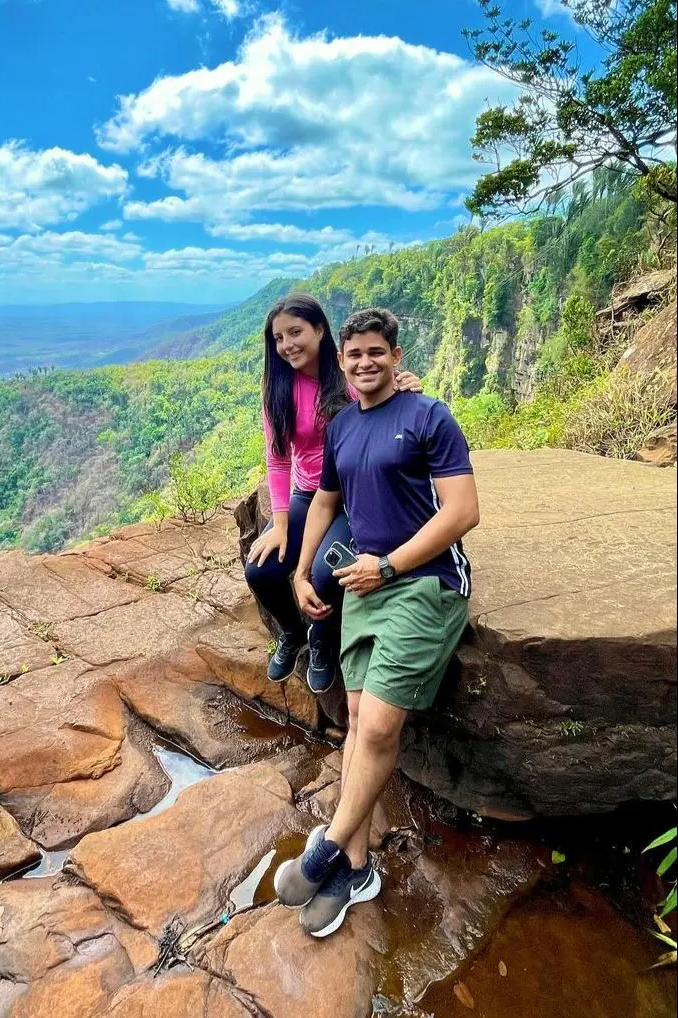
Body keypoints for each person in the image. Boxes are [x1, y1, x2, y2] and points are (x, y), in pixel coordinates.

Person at [273, 306, 479, 938]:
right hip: (365, 585)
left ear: (396, 356)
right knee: (359, 718)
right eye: (355, 354)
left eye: (376, 352)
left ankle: (326, 851)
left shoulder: (428, 416)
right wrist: (301, 572)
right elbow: (325, 501)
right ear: (342, 362)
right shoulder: (342, 427)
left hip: (424, 583)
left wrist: (388, 566)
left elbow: (463, 512)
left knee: (382, 724)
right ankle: (358, 868)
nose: (365, 362)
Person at [244, 293, 422, 694]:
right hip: (310, 493)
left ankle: (322, 641)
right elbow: (277, 461)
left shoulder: (347, 375)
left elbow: (385, 400)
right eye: (278, 338)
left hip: (355, 495)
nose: (287, 344)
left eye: (295, 332)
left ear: (320, 330)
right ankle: (293, 633)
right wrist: (280, 525)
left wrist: (407, 384)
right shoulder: (278, 389)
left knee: (328, 573)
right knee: (261, 569)